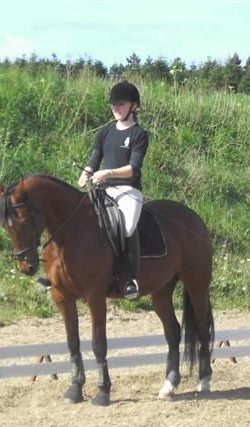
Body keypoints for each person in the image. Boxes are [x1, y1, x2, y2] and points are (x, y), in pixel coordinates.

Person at [78, 81, 148, 299]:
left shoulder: (139, 134)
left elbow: (133, 168)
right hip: (103, 190)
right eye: (113, 105)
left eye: (121, 104)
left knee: (126, 227)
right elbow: (94, 159)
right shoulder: (105, 132)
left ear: (133, 106)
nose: (116, 108)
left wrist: (107, 174)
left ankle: (131, 278)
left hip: (128, 191)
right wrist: (87, 172)